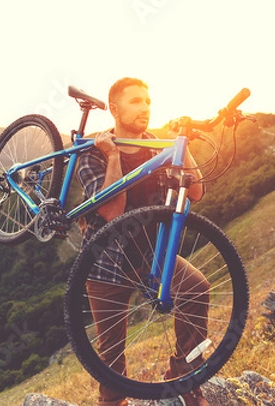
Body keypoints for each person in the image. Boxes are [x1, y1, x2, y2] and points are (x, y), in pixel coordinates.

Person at [77, 77, 211, 406]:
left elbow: (196, 192)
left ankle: (185, 378)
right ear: (114, 108)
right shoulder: (92, 152)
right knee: (110, 360)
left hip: (153, 257)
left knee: (196, 288)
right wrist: (112, 157)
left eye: (148, 102)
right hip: (106, 263)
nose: (145, 109)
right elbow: (112, 211)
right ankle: (112, 402)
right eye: (135, 101)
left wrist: (184, 143)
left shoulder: (158, 145)